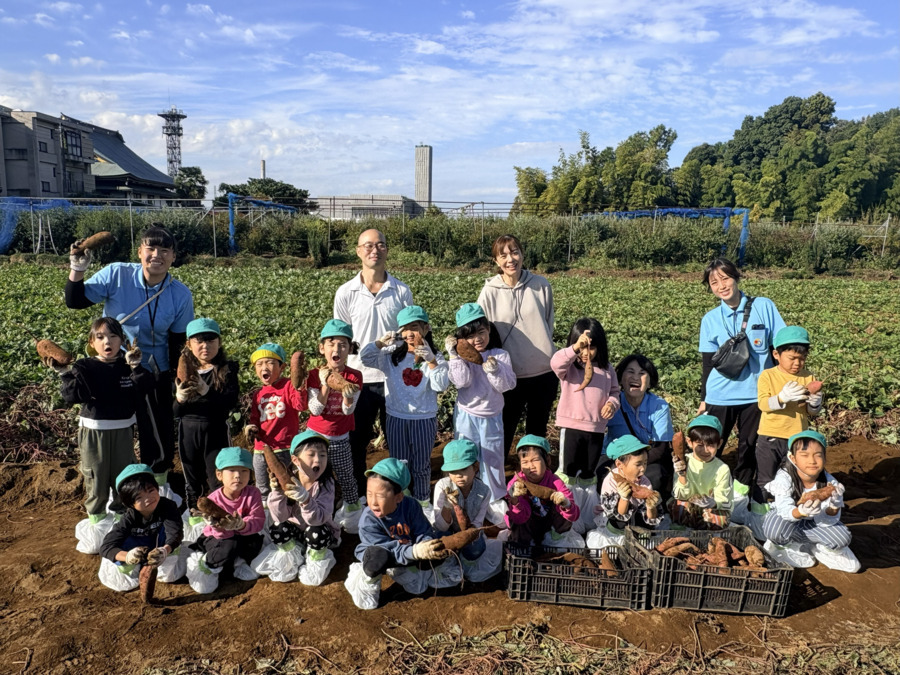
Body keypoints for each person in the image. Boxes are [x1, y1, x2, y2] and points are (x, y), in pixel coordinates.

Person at [65, 225, 194, 494]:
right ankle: (112, 489)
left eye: (165, 250)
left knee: (156, 430)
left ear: (173, 257)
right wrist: (77, 268)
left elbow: (178, 341)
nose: (157, 255)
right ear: (139, 252)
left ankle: (158, 486)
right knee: (111, 427)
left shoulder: (180, 294)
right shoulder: (116, 274)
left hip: (153, 370)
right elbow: (75, 301)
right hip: (113, 368)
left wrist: (176, 380)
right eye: (151, 248)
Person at [51, 317, 155, 554]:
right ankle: (97, 526)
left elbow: (145, 388)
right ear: (92, 342)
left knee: (123, 478)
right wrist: (65, 373)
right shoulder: (85, 366)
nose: (107, 342)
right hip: (94, 430)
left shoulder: (127, 365)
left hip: (123, 429)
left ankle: (121, 525)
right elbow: (72, 396)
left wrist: (136, 367)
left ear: (122, 341)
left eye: (113, 336)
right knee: (96, 479)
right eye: (100, 337)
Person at [334, 229, 413, 503]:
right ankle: (358, 494)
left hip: (393, 378)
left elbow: (408, 333)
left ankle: (397, 492)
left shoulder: (401, 291)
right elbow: (341, 338)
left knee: (397, 439)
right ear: (358, 251)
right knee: (357, 440)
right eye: (368, 246)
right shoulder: (346, 292)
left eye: (380, 245)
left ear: (387, 250)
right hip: (358, 379)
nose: (374, 250)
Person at [698, 257, 785, 505]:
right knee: (711, 444)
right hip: (720, 394)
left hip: (756, 393)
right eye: (714, 282)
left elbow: (780, 346)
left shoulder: (764, 307)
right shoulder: (710, 319)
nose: (721, 286)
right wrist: (704, 399)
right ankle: (704, 491)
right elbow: (708, 364)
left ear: (736, 277)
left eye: (725, 278)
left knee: (749, 445)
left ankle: (739, 494)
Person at [360, 305, 449, 511]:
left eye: (415, 327)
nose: (410, 333)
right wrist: (380, 343)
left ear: (426, 328)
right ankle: (401, 500)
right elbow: (366, 358)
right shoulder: (391, 355)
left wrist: (431, 360)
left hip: (423, 418)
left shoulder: (435, 356)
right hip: (396, 417)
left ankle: (423, 502)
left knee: (421, 465)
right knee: (399, 463)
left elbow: (441, 385)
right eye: (405, 328)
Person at [477, 234, 557, 459]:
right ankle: (499, 477)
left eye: (514, 252)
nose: (510, 259)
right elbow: (482, 330)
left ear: (522, 254)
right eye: (503, 255)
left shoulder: (540, 285)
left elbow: (548, 323)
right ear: (496, 261)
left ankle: (536, 476)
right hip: (507, 375)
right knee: (504, 430)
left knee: (537, 432)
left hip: (543, 372)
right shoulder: (490, 291)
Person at [345, 458, 447, 610]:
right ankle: (368, 578)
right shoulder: (368, 519)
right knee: (377, 559)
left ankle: (409, 568)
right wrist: (414, 552)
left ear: (398, 497)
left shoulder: (411, 506)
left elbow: (422, 530)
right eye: (369, 494)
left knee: (435, 551)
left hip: (406, 551)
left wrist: (425, 544)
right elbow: (386, 548)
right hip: (383, 553)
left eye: (380, 496)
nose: (373, 502)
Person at [446, 303, 517, 516]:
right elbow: (461, 382)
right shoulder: (461, 358)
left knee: (492, 458)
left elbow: (507, 385)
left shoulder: (500, 355)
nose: (477, 339)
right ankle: (466, 497)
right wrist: (454, 356)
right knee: (466, 457)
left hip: (491, 416)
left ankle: (494, 498)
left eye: (481, 332)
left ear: (489, 330)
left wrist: (494, 370)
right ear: (461, 338)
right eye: (470, 336)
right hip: (466, 416)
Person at [760, 430, 858, 572]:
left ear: (825, 457)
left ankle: (817, 547)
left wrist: (834, 506)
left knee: (842, 538)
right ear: (793, 458)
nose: (812, 461)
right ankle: (785, 546)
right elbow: (784, 509)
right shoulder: (784, 478)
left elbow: (829, 519)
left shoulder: (830, 483)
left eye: (818, 455)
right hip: (788, 524)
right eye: (804, 455)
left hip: (814, 524)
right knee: (774, 529)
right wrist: (801, 511)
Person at [255, 430, 340, 586]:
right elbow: (279, 516)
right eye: (311, 454)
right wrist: (277, 492)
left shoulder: (326, 484)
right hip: (297, 534)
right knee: (278, 527)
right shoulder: (289, 480)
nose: (318, 459)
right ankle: (292, 560)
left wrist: (306, 500)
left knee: (315, 532)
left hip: (321, 534)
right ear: (295, 460)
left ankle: (315, 562)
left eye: (322, 455)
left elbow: (318, 519)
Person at [173, 318, 240, 512]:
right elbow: (175, 413)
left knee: (218, 475)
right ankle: (195, 514)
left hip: (215, 430)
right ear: (189, 344)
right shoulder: (181, 370)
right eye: (199, 341)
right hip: (188, 431)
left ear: (219, 342)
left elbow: (229, 403)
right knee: (192, 477)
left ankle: (221, 515)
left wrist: (207, 392)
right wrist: (179, 399)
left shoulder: (227, 370)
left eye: (211, 340)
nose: (205, 346)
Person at [305, 320, 364, 532]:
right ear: (322, 348)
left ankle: (352, 516)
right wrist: (325, 384)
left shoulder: (354, 376)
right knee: (313, 477)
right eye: (331, 344)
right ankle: (314, 516)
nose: (336, 349)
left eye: (342, 344)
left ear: (349, 349)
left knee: (346, 477)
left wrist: (347, 394)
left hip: (340, 438)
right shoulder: (313, 375)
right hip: (315, 438)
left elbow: (348, 411)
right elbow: (315, 409)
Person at [755, 326, 823, 503]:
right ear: (776, 355)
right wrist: (781, 398)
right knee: (765, 478)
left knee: (793, 478)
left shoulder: (808, 377)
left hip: (797, 438)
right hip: (770, 436)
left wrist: (815, 404)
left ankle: (790, 511)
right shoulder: (768, 376)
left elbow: (810, 412)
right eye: (792, 358)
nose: (797, 363)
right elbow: (763, 404)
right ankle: (760, 511)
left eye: (802, 358)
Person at [550, 318, 619, 489]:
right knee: (568, 470)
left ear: (600, 347)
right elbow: (555, 363)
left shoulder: (607, 369)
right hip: (571, 427)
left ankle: (585, 501)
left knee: (588, 471)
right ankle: (566, 500)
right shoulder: (570, 367)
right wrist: (575, 349)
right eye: (582, 348)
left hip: (596, 429)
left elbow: (615, 392)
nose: (586, 353)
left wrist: (611, 404)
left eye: (591, 348)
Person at [186, 447, 265, 593]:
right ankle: (209, 562)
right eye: (231, 471)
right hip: (217, 539)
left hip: (241, 534)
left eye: (244, 471)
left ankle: (236, 563)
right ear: (219, 475)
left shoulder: (253, 493)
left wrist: (241, 525)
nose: (238, 476)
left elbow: (258, 520)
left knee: (255, 543)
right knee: (228, 545)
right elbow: (221, 536)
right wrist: (217, 525)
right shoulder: (213, 500)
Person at [97, 464, 185, 592]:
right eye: (139, 497)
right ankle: (133, 566)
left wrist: (165, 550)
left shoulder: (168, 506)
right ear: (130, 504)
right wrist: (128, 556)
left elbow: (175, 533)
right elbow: (106, 547)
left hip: (158, 545)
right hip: (136, 548)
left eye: (150, 490)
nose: (148, 499)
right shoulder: (128, 519)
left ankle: (158, 559)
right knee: (124, 579)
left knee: (169, 574)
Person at [603, 354, 675, 499]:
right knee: (602, 473)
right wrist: (623, 466)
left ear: (649, 382)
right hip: (617, 459)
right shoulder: (611, 403)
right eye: (630, 372)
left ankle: (648, 509)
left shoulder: (659, 406)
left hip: (646, 461)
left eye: (642, 373)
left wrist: (634, 465)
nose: (636, 377)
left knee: (655, 476)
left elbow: (660, 449)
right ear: (620, 379)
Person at [244, 342, 307, 501]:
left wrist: (299, 387)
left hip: (285, 447)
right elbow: (255, 418)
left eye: (270, 363)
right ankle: (265, 513)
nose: (264, 367)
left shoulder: (288, 386)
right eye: (259, 364)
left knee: (289, 486)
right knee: (263, 487)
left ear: (282, 367)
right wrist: (251, 427)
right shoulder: (258, 394)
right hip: (261, 449)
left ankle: (291, 513)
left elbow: (300, 406)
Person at [432, 439, 502, 582]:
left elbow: (478, 523)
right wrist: (447, 505)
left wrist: (466, 536)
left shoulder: (484, 491)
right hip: (447, 531)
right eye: (453, 471)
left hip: (470, 532)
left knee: (476, 550)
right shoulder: (442, 486)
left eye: (463, 469)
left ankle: (463, 561)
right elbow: (440, 526)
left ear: (475, 467)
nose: (458, 475)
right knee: (437, 541)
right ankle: (449, 560)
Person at [586, 435, 663, 549]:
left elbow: (650, 518)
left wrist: (651, 506)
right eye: (638, 464)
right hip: (616, 530)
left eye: (645, 463)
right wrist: (624, 498)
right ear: (619, 464)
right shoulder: (610, 481)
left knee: (650, 542)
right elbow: (620, 515)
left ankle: (640, 543)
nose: (643, 468)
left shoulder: (645, 482)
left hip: (638, 530)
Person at [505, 435, 579, 547]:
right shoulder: (516, 485)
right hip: (526, 524)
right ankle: (522, 546)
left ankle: (553, 542)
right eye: (525, 462)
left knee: (562, 509)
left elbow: (574, 516)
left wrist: (566, 504)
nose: (531, 466)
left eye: (535, 460)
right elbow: (518, 518)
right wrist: (514, 500)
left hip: (548, 526)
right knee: (516, 519)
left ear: (547, 460)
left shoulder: (555, 482)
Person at [670, 415, 733, 530]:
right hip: (690, 506)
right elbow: (679, 495)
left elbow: (725, 501)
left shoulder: (722, 469)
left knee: (719, 520)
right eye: (700, 445)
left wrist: (713, 503)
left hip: (711, 509)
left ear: (719, 444)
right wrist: (682, 476)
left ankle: (711, 536)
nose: (705, 450)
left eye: (711, 445)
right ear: (689, 442)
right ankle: (682, 532)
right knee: (679, 507)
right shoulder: (683, 462)